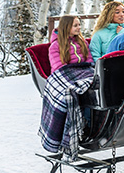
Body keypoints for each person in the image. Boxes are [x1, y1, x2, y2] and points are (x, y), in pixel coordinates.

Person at [39, 15, 96, 158]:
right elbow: (58, 66)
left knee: (95, 82)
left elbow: (89, 60)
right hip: (64, 73)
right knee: (71, 91)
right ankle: (74, 125)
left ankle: (93, 119)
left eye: (79, 25)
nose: (78, 28)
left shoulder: (82, 42)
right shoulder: (55, 46)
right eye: (75, 25)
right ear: (67, 27)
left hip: (83, 70)